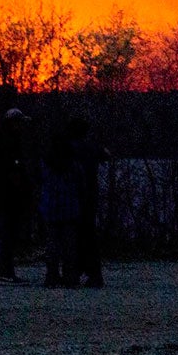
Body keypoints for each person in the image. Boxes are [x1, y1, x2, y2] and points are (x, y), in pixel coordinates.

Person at [0, 108, 32, 282]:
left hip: (3, 196)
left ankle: (4, 270)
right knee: (6, 234)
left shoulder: (4, 141)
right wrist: (22, 189)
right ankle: (4, 271)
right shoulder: (9, 144)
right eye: (19, 123)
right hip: (6, 197)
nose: (21, 126)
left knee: (6, 234)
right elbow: (12, 173)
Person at [39, 122, 80, 287]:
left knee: (52, 244)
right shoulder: (73, 165)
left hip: (52, 207)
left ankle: (52, 276)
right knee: (70, 244)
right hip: (70, 207)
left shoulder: (47, 163)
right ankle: (70, 277)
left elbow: (42, 180)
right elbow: (81, 183)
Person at [68, 116, 106, 289]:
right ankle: (93, 273)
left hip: (75, 197)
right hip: (90, 196)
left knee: (75, 236)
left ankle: (76, 272)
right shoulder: (91, 149)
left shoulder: (70, 149)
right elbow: (105, 154)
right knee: (89, 236)